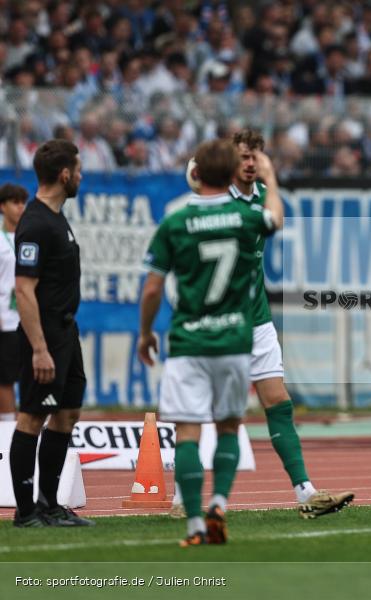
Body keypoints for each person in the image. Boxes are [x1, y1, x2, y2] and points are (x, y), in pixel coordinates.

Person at [138, 139, 284, 546]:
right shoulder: (245, 216)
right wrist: (270, 179)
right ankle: (219, 502)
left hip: (189, 341)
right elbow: (275, 217)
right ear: (232, 174)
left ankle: (194, 524)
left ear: (195, 174)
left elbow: (152, 289)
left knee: (187, 431)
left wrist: (146, 332)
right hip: (236, 340)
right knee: (228, 427)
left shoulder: (175, 221)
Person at [225, 129, 353, 517]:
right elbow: (272, 220)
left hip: (258, 319)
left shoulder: (263, 197)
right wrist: (272, 180)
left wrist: (269, 186)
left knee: (278, 402)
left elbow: (274, 214)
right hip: (221, 322)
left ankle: (305, 490)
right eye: (244, 157)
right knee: (216, 413)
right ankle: (187, 495)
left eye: (256, 156)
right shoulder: (218, 203)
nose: (251, 163)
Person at [9, 140, 94, 527]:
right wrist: (39, 349)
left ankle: (49, 504)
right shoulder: (36, 222)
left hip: (65, 331)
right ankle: (25, 513)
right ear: (64, 174)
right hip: (43, 338)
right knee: (31, 417)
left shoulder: (56, 217)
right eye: (77, 170)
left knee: (67, 413)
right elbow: (23, 289)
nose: (80, 175)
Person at [0, 184, 27, 422]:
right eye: (14, 202)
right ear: (2, 206)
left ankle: (27, 426)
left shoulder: (28, 239)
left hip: (28, 320)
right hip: (6, 321)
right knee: (5, 378)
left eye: (22, 202)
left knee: (31, 376)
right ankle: (7, 426)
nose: (20, 207)